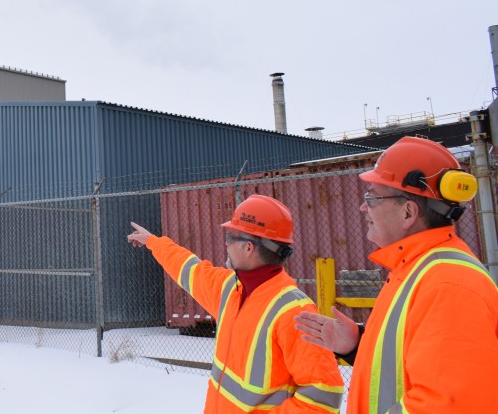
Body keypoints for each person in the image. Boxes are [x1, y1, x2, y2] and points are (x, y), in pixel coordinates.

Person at [294, 136, 498, 413]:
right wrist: (358, 344)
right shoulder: (416, 269)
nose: (363, 207)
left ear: (408, 212)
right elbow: (409, 368)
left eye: (372, 197)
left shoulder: (448, 285)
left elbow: (448, 404)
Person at [128, 194, 343, 413]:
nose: (226, 242)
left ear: (248, 248)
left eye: (231, 236)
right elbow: (188, 268)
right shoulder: (230, 289)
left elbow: (323, 399)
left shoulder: (294, 312)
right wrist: (153, 242)